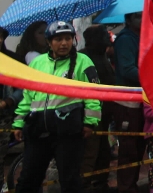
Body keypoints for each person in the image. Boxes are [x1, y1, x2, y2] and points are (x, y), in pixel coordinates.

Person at [12, 21, 101, 192]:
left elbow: (94, 94)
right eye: (58, 39)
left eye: (68, 38)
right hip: (38, 131)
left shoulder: (84, 61)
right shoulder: (37, 63)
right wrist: (18, 122)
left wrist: (90, 122)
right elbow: (28, 96)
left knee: (70, 181)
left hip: (68, 132)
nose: (64, 43)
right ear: (49, 42)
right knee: (28, 180)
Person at [80, 25, 115, 192]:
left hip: (106, 112)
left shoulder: (102, 56)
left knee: (103, 151)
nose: (108, 39)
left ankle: (101, 183)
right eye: (103, 36)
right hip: (92, 114)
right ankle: (85, 185)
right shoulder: (83, 58)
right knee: (90, 153)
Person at [113, 12, 145, 193]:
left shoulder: (140, 37)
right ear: (128, 20)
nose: (142, 20)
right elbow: (127, 69)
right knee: (128, 149)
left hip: (140, 99)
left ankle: (131, 185)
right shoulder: (125, 39)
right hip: (127, 102)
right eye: (137, 17)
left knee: (138, 146)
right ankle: (126, 188)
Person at [0, 27, 23, 192]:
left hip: (4, 115)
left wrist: (9, 100)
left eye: (0, 37)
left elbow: (24, 87)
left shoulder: (12, 60)